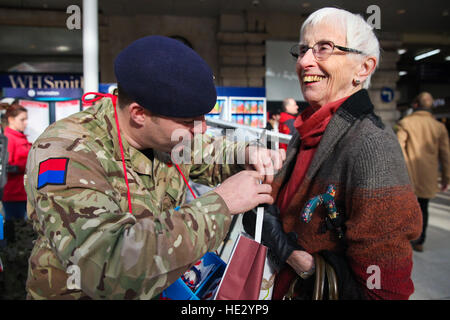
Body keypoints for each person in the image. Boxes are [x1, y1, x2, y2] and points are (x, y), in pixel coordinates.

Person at [24, 35, 284, 300]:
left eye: (204, 117)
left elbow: (206, 151)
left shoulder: (166, 135)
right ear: (139, 114)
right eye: (188, 120)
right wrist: (221, 204)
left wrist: (246, 153)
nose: (202, 127)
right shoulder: (68, 153)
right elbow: (107, 267)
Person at [245, 7, 422, 300]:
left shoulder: (371, 146)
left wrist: (310, 266)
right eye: (302, 50)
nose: (304, 61)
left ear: (363, 69)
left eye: (323, 48)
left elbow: (384, 290)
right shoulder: (307, 132)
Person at [396, 92, 450, 252]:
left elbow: (398, 147)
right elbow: (445, 154)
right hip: (428, 175)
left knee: (407, 207)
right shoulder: (439, 127)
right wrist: (447, 177)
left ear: (415, 105)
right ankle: (419, 240)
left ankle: (406, 238)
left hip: (408, 173)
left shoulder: (405, 123)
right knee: (424, 207)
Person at [0, 102, 35, 300]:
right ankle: (14, 275)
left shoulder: (21, 138)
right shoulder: (8, 139)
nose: (26, 123)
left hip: (23, 194)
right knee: (15, 235)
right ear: (11, 120)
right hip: (13, 195)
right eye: (22, 119)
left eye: (26, 119)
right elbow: (8, 165)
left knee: (23, 234)